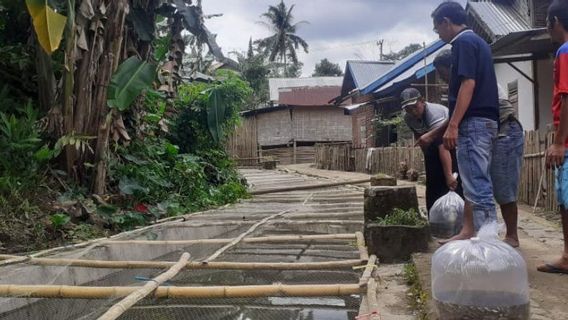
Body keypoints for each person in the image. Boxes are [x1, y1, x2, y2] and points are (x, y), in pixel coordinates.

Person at [434, 50, 524, 247]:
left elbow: (461, 112)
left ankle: (511, 236)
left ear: (453, 68)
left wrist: (440, 131)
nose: (443, 79)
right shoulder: (463, 84)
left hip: (505, 131)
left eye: (443, 74)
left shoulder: (472, 81)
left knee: (503, 186)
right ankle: (468, 231)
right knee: (473, 180)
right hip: (489, 132)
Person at [431, 1, 500, 242]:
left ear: (446, 22)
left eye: (437, 28)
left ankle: (487, 242)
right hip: (488, 121)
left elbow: (467, 83)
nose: (438, 33)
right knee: (475, 180)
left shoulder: (462, 43)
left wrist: (453, 124)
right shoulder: (481, 43)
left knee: (478, 184)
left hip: (473, 122)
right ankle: (472, 232)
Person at [538, 0, 568, 274]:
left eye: (547, 23)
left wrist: (559, 142)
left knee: (566, 199)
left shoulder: (565, 51)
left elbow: (567, 95)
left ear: (555, 22)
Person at [400, 88, 462, 213]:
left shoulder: (434, 113)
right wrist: (428, 159)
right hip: (433, 147)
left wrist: (449, 175)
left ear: (422, 101)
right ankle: (434, 217)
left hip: (451, 145)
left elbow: (442, 145)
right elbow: (421, 139)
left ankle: (457, 220)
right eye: (408, 109)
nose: (413, 111)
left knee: (452, 184)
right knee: (433, 186)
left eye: (415, 107)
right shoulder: (408, 118)